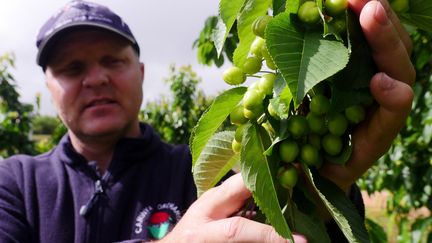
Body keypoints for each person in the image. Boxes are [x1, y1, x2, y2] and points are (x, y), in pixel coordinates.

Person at [0, 0, 414, 242]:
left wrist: (321, 196)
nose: (96, 78)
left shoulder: (203, 175)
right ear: (48, 87)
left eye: (112, 60)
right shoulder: (14, 184)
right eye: (72, 69)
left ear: (141, 73)